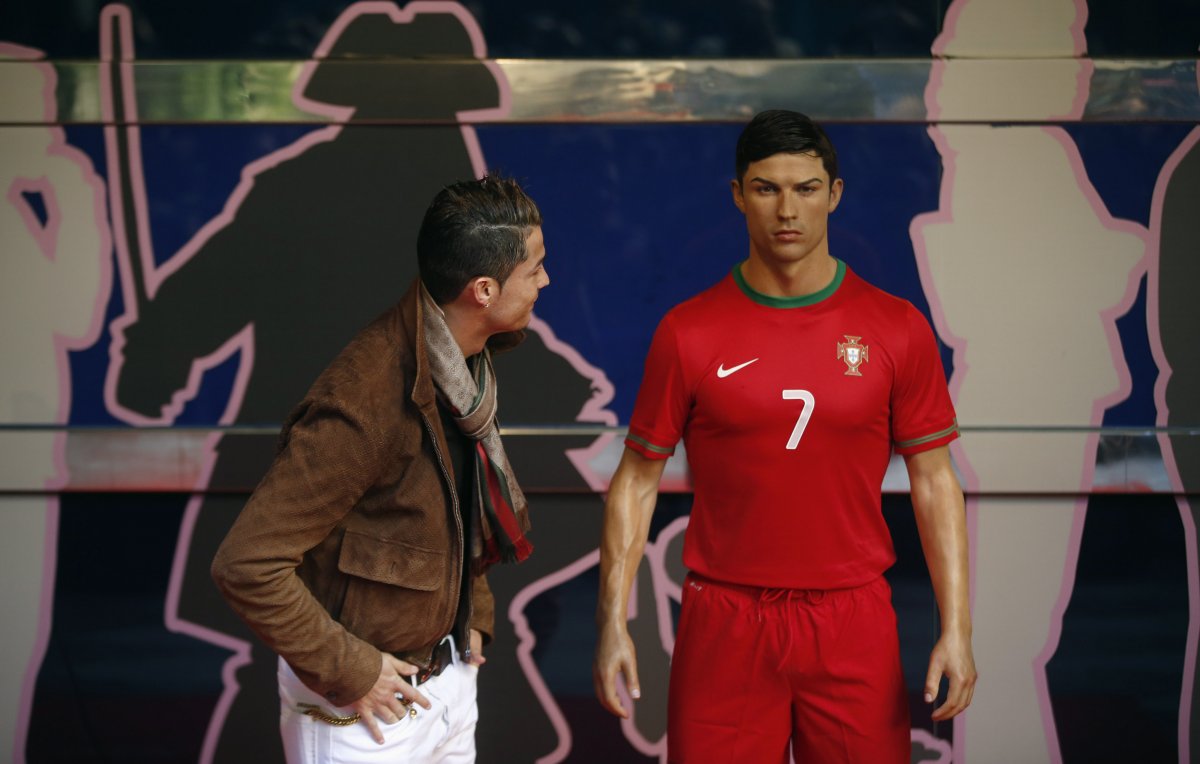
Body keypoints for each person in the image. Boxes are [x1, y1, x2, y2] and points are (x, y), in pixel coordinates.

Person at [593, 110, 976, 763]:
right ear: (739, 196)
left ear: (835, 193)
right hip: (726, 620)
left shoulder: (896, 328)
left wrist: (957, 627)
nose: (787, 209)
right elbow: (635, 481)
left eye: (806, 188)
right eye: (766, 188)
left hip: (852, 617)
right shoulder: (689, 332)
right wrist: (611, 623)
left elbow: (936, 481)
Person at [212, 174, 548, 763]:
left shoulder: (464, 367)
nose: (545, 281)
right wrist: (354, 670)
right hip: (364, 714)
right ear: (484, 290)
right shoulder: (365, 400)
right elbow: (245, 564)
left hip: (446, 686)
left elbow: (448, 508)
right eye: (535, 268)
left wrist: (473, 614)